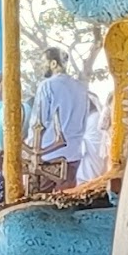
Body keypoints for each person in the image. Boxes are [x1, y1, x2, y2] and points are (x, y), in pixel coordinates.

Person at [30, 47, 90, 187]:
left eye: (44, 62)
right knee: (67, 203)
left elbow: (38, 122)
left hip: (49, 156)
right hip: (73, 154)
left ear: (54, 64)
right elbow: (84, 122)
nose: (42, 66)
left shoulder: (47, 86)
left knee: (43, 205)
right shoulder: (81, 88)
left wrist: (31, 150)